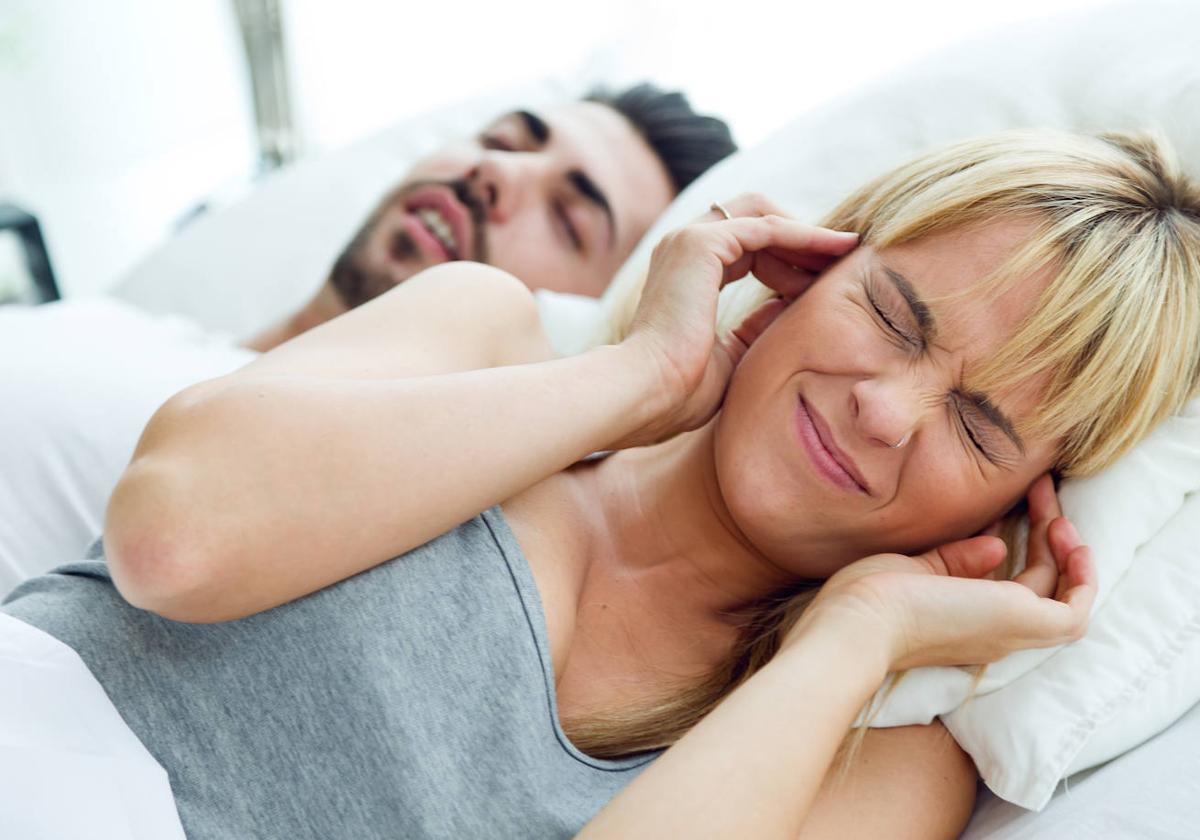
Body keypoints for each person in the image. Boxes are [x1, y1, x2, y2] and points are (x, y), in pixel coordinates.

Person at [5, 128, 1198, 839]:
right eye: (889, 314)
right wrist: (639, 379)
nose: (881, 410)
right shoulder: (484, 332)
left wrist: (860, 634)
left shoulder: (876, 750)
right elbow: (174, 541)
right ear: (809, 263)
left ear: (1020, 505)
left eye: (980, 428)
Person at [0, 82, 736, 591]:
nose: (495, 173)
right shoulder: (122, 325)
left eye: (569, 218)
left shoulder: (327, 504)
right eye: (502, 139)